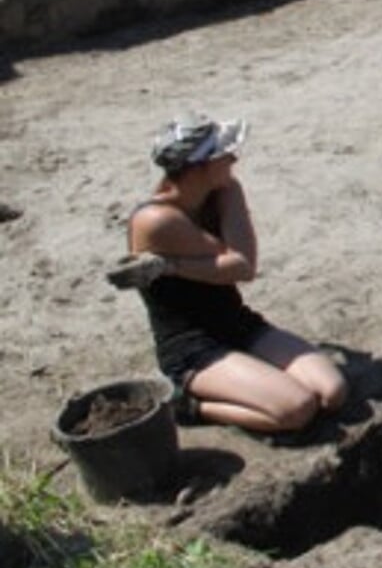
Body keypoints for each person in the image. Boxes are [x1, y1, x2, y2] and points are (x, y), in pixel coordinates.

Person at [107, 114, 348, 434]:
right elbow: (238, 267)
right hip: (192, 347)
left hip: (237, 323)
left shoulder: (224, 188)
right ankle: (189, 405)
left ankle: (248, 381)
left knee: (333, 393)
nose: (233, 158)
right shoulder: (156, 220)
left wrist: (169, 265)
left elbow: (242, 264)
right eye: (223, 154)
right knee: (297, 409)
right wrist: (172, 266)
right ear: (198, 167)